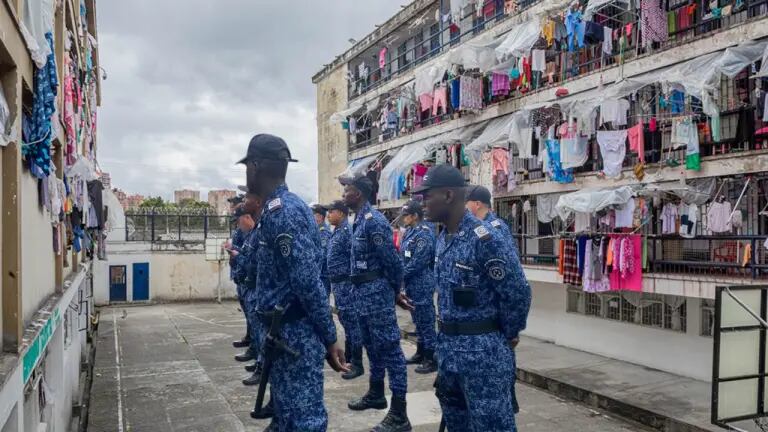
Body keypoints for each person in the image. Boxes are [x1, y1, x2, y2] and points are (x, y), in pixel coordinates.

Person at [238, 133, 347, 431]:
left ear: (257, 166)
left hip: (295, 337)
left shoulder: (285, 212)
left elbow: (307, 283)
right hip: (281, 337)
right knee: (286, 418)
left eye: (247, 166)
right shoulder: (274, 209)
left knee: (304, 422)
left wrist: (329, 337)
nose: (246, 172)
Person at [413, 164, 531, 432]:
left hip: (483, 356)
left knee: (491, 426)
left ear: (448, 195)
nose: (423, 204)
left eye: (427, 196)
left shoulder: (485, 238)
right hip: (449, 353)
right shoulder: (443, 238)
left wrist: (509, 332)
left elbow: (517, 291)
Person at [342, 175, 412, 432]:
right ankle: (376, 392)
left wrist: (394, 291)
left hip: (377, 295)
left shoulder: (375, 222)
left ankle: (400, 413)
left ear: (358, 194)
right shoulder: (358, 220)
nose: (343, 195)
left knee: (390, 351)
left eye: (347, 190)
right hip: (361, 294)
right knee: (371, 347)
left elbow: (393, 262)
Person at [465, 184, 522, 413]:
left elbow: (508, 275)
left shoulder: (494, 228)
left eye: (466, 203)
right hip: (484, 307)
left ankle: (508, 399)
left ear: (477, 204)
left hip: (498, 308)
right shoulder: (477, 227)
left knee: (502, 356)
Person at [325, 200, 365, 380]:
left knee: (352, 324)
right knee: (347, 322)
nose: (328, 215)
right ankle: (349, 358)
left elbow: (355, 258)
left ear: (341, 213)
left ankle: (357, 363)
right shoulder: (337, 231)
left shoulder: (347, 232)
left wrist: (353, 285)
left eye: (331, 211)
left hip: (347, 285)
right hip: (338, 286)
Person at [397, 199, 438, 374]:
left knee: (426, 321)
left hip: (422, 282)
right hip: (411, 283)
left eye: (406, 215)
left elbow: (418, 261)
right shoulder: (410, 232)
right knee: (417, 321)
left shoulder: (425, 233)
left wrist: (400, 274)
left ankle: (432, 358)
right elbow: (403, 256)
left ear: (415, 216)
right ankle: (420, 353)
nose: (403, 219)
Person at [312, 204, 332, 296]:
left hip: (322, 276)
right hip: (318, 276)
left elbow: (322, 256)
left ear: (319, 217)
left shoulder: (323, 233)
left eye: (313, 215)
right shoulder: (316, 231)